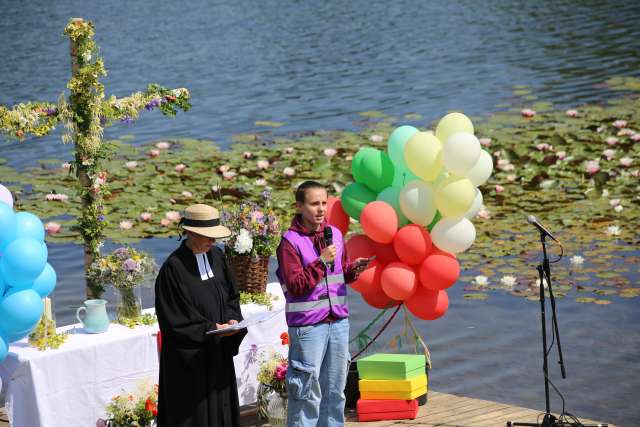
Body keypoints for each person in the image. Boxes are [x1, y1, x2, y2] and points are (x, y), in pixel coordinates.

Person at [276, 180, 371, 426]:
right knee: (305, 394)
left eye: (324, 203)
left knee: (335, 393)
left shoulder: (335, 235)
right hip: (309, 329)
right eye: (314, 203)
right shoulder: (290, 242)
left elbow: (339, 273)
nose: (320, 209)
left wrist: (353, 270)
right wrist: (320, 260)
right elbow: (296, 285)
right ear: (299, 206)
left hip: (338, 323)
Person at [155, 203, 247, 427]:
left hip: (218, 353)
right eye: (207, 236)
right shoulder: (173, 269)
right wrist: (210, 328)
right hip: (191, 361)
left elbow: (231, 295)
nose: (212, 241)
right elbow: (174, 318)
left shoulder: (216, 256)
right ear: (191, 233)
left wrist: (232, 320)